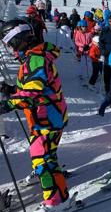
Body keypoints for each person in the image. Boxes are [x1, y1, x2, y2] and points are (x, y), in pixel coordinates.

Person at [0, 19, 69, 210]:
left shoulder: (35, 59)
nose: (11, 49)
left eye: (11, 43)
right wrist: (13, 90)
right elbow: (35, 87)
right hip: (45, 117)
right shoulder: (33, 57)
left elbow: (32, 94)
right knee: (46, 157)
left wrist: (7, 104)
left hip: (48, 119)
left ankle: (56, 203)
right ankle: (60, 195)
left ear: (20, 39)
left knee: (43, 160)